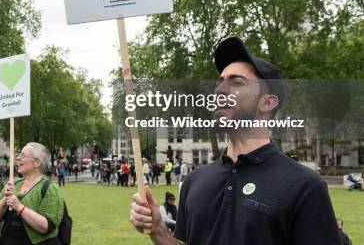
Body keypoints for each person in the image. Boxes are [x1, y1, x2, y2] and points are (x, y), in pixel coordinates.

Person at [130, 36, 342, 244]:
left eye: (237, 82)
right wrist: (158, 230)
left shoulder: (304, 186)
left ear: (267, 102)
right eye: (219, 82)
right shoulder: (194, 182)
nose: (220, 90)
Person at [0, 142, 64, 245]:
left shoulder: (50, 188)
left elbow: (46, 227)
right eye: (19, 155)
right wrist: (6, 199)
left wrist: (19, 206)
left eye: (23, 155)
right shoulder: (14, 183)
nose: (18, 158)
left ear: (37, 163)